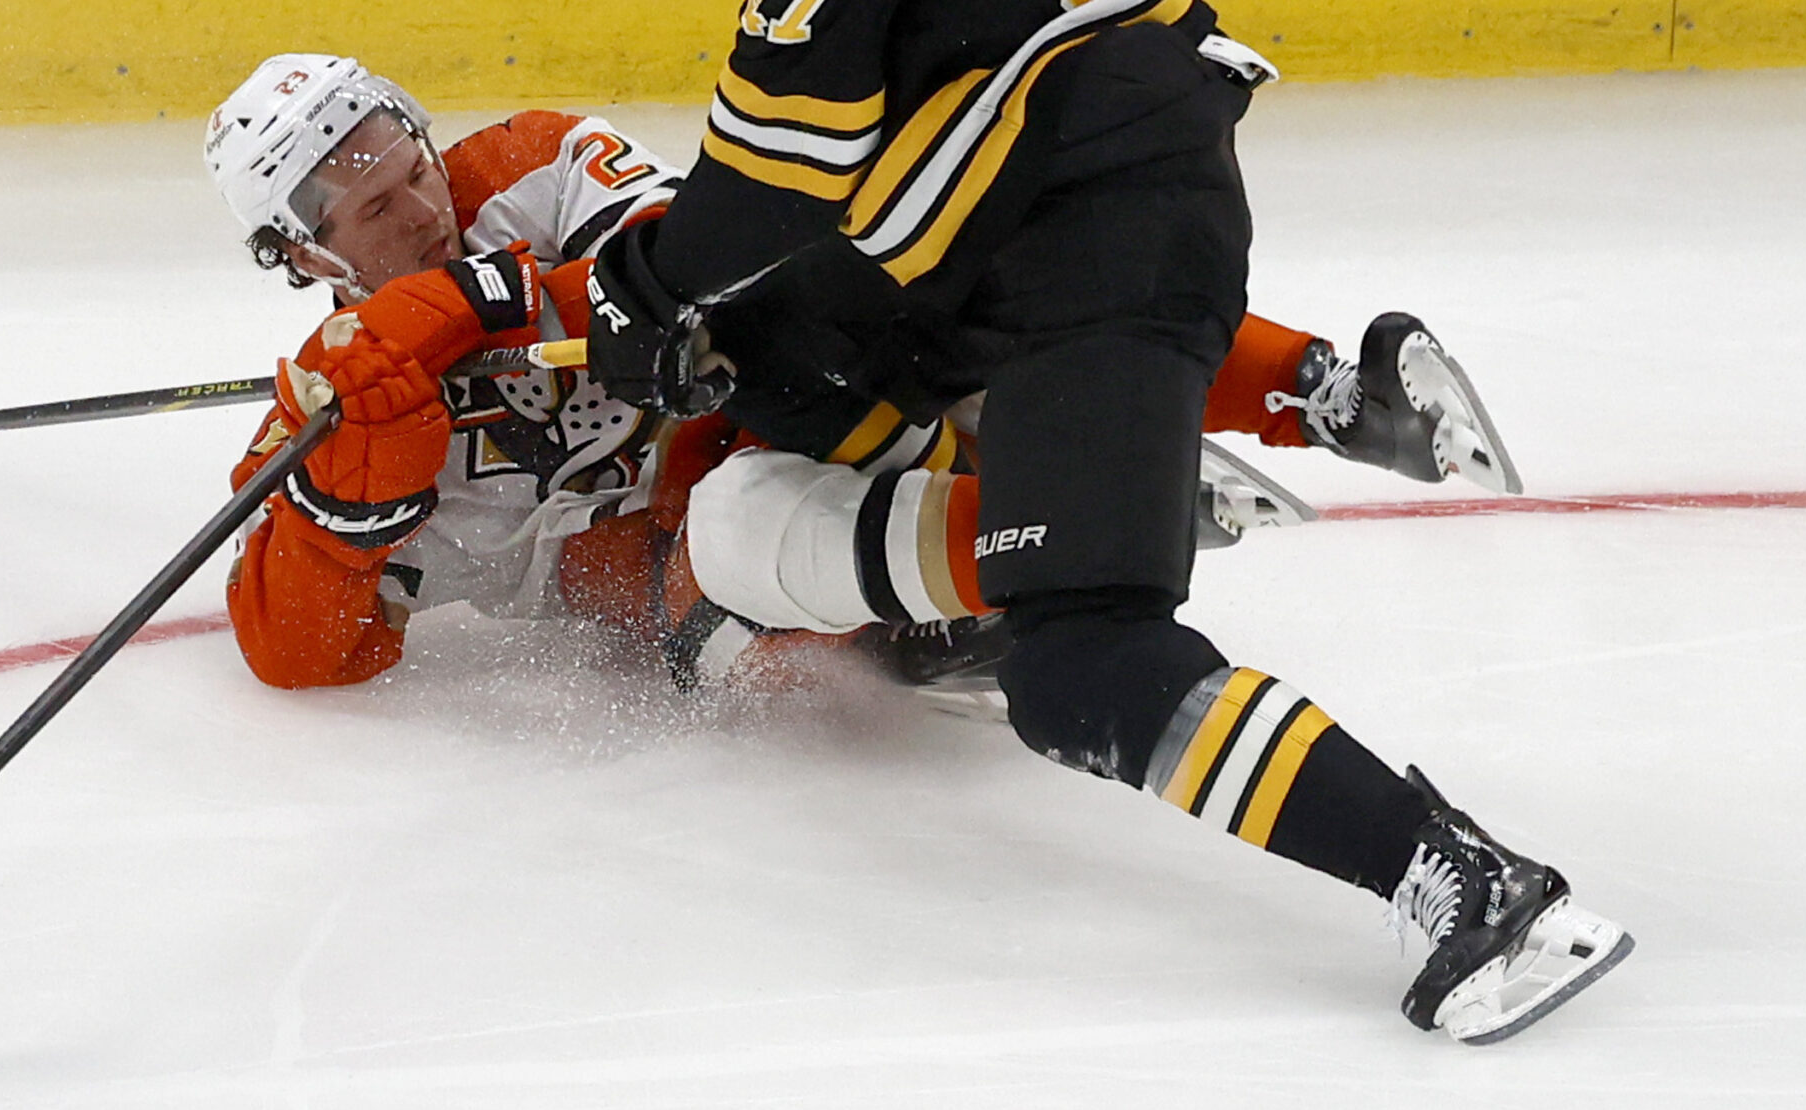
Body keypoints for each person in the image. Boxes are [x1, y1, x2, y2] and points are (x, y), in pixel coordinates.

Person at [578, 0, 1628, 1043]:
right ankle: (1149, 484)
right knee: (797, 367)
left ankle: (1468, 886)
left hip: (1094, 222)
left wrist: (648, 290)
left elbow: (781, 175)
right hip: (1041, 174)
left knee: (1089, 674)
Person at [201, 52, 1515, 697]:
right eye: (374, 215)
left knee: (913, 274)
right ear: (304, 253)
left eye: (414, 162)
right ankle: (1026, 552)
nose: (424, 206)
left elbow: (694, 261)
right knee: (727, 532)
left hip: (769, 405)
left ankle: (1327, 393)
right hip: (684, 587)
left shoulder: (524, 171)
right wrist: (358, 481)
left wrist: (467, 295)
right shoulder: (333, 409)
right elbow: (293, 650)